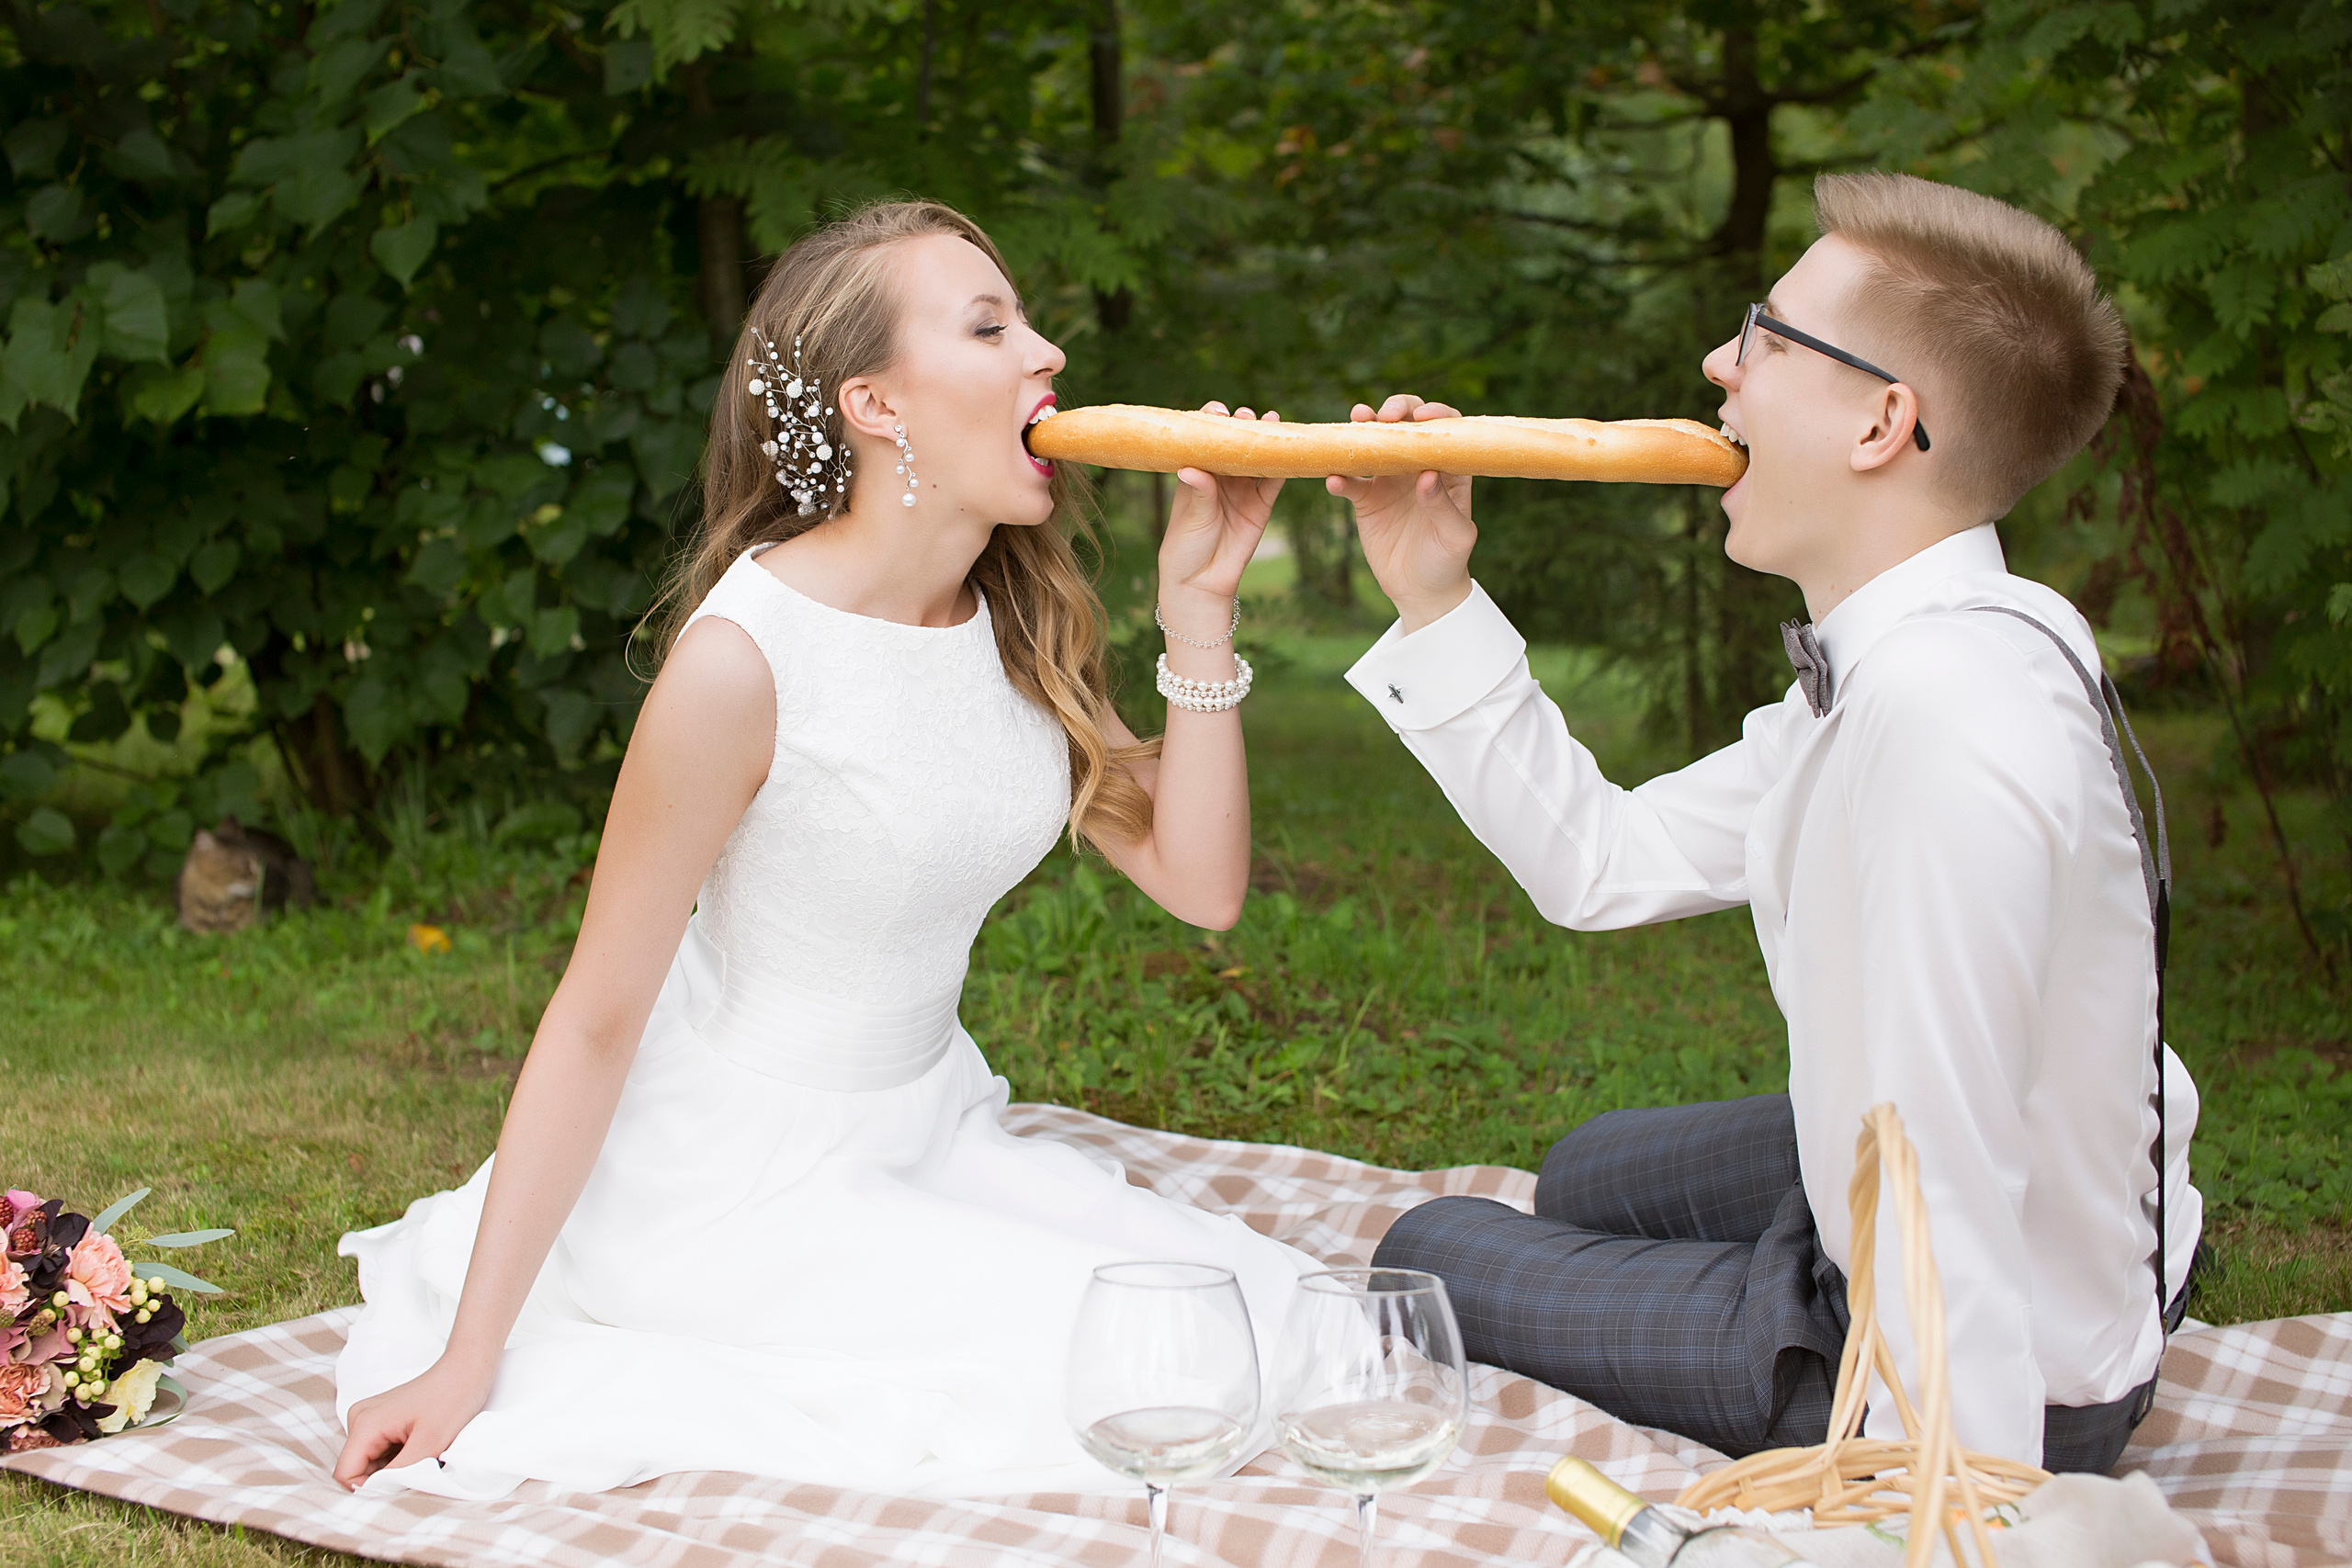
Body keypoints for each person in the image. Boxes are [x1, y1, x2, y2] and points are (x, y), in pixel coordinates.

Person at [331, 199, 1312, 1500]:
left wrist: (1199, 613)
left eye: (1024, 318)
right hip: (739, 1182)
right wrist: (468, 1358)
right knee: (1131, 1379)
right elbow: (595, 1018)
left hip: (932, 1128)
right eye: (988, 325)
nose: (1048, 355)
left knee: (1243, 1315)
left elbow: (1203, 885)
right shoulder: (744, 664)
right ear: (875, 404)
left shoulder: (1009, 621)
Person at [1333, 173, 2202, 1473]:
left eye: (1765, 337)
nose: (1716, 365)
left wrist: (1957, 1497)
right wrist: (1432, 593)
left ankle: (1795, 1330)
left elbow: (1941, 1161)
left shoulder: (1946, 718)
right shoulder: (1925, 645)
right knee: (1584, 1175)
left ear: (1880, 422)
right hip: (1939, 1182)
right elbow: (1602, 860)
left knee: (1430, 1250)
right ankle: (1748, 1263)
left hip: (1964, 1365)